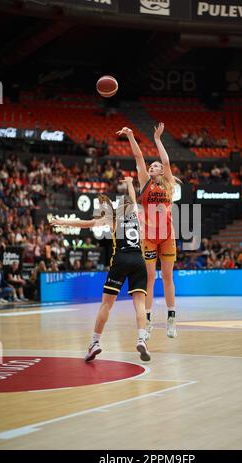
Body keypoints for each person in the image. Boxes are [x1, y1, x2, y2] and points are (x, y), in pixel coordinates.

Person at [50, 177, 150, 362]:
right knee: (140, 304)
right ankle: (142, 338)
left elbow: (85, 224)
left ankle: (95, 342)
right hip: (138, 260)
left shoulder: (112, 218)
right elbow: (133, 197)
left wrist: (63, 221)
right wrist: (129, 182)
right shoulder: (136, 215)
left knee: (106, 304)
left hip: (120, 259)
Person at [117, 123, 178, 339]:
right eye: (150, 167)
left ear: (162, 170)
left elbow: (167, 161)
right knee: (150, 278)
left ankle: (171, 318)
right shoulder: (144, 183)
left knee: (168, 277)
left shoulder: (169, 183)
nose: (151, 167)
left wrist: (158, 139)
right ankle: (149, 321)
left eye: (155, 166)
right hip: (150, 238)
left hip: (167, 236)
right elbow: (138, 156)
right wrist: (131, 135)